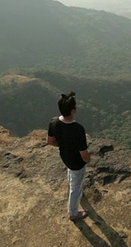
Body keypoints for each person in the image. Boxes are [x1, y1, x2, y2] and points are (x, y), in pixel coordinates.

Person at [47, 91, 91, 220]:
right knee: (76, 187)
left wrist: (63, 146)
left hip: (64, 156)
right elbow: (84, 154)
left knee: (72, 174)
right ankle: (73, 213)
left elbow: (50, 141)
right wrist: (88, 160)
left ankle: (71, 186)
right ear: (73, 110)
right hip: (77, 162)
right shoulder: (78, 129)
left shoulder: (53, 122)